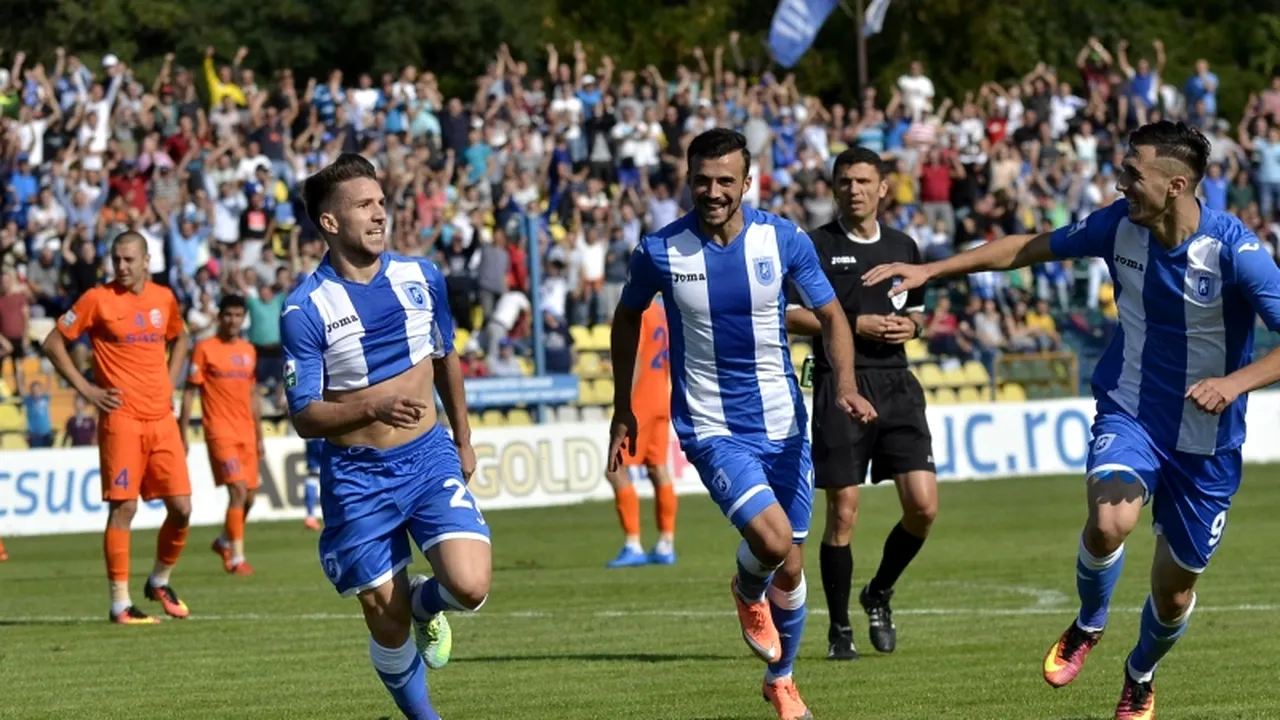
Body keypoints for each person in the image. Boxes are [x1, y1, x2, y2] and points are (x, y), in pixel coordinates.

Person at [864, 121, 1280, 720]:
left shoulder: (1235, 251)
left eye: (1134, 174)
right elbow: (1026, 247)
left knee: (1174, 591)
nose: (1121, 182)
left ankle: (1140, 673)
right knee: (1110, 521)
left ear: (1176, 185)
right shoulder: (1118, 226)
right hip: (1131, 410)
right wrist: (933, 271)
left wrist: (1233, 384)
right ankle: (1088, 623)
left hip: (1207, 442)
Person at [608, 129, 876, 720]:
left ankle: (781, 680)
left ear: (746, 183)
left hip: (784, 423)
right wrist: (621, 404)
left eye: (726, 180)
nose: (713, 191)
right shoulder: (660, 250)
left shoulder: (781, 239)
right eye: (702, 180)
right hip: (711, 426)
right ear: (688, 179)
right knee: (774, 542)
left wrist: (847, 385)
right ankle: (746, 588)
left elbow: (832, 315)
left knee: (795, 563)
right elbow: (626, 319)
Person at [282, 154, 490, 720]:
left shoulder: (421, 277)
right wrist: (370, 406)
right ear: (330, 223)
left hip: (428, 457)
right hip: (358, 477)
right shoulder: (305, 308)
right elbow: (303, 415)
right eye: (364, 206)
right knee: (384, 615)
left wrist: (464, 439)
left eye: (380, 203)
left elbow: (446, 359)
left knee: (470, 585)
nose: (380, 214)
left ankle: (429, 603)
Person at [785, 147, 938, 662]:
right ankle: (839, 629)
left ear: (882, 189)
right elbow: (790, 313)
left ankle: (879, 591)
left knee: (923, 507)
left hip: (897, 382)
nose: (854, 189)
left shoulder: (903, 245)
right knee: (843, 512)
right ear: (834, 188)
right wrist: (853, 324)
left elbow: (920, 313)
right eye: (845, 181)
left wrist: (912, 326)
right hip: (840, 382)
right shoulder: (816, 245)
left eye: (863, 181)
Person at [42, 231, 193, 625]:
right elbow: (52, 342)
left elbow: (182, 339)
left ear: (146, 261)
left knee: (182, 508)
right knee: (124, 508)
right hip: (121, 419)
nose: (122, 267)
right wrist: (88, 389)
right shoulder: (97, 299)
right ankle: (119, 603)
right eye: (117, 260)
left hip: (161, 418)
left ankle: (159, 580)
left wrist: (170, 381)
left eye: (129, 260)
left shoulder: (164, 299)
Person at [179, 294, 265, 576]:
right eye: (228, 315)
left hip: (247, 433)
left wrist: (259, 434)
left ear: (243, 318)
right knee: (238, 490)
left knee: (250, 496)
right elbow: (190, 391)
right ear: (220, 316)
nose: (233, 320)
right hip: (219, 432)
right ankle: (237, 558)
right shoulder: (204, 349)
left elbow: (253, 394)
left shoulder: (248, 350)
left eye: (238, 315)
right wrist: (182, 432)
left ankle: (224, 541)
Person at [604, 295, 677, 568]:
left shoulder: (637, 310)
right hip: (661, 396)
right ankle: (665, 543)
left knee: (615, 470)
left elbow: (633, 357)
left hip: (640, 401)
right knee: (658, 468)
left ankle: (633, 544)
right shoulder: (661, 312)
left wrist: (623, 404)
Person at [303, 438, 323, 530]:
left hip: (311, 435)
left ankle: (310, 516)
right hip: (325, 436)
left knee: (313, 474)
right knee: (332, 472)